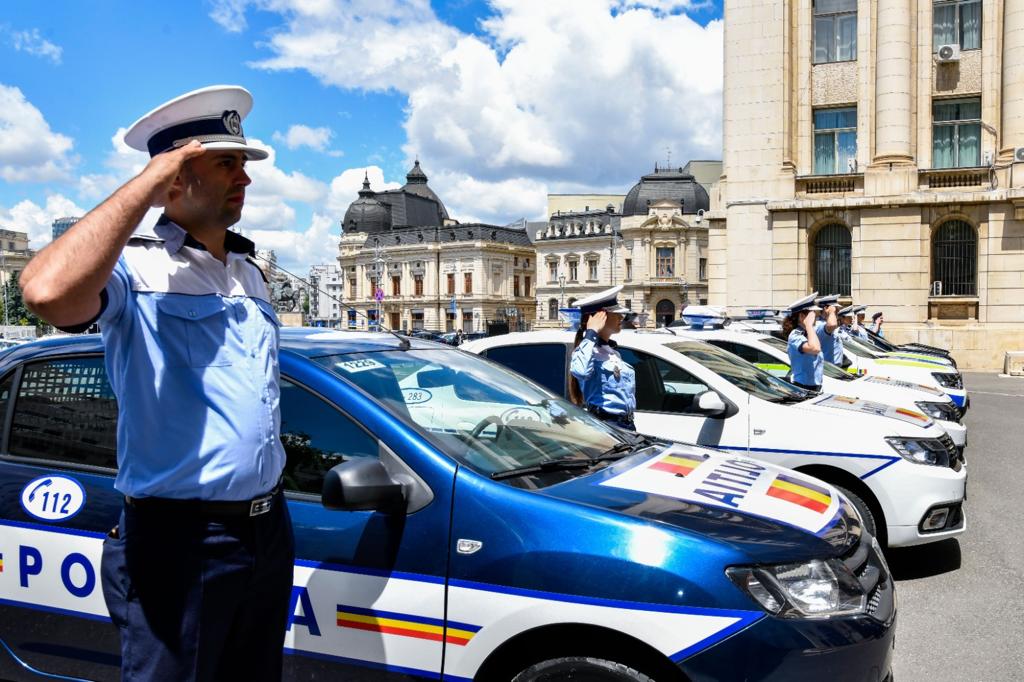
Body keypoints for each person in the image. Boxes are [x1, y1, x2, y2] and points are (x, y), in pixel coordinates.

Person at [21, 86, 293, 681]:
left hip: (266, 531)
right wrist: (146, 185)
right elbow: (44, 292)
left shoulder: (250, 274)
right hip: (180, 538)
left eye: (244, 164)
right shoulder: (134, 267)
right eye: (226, 163)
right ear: (172, 179)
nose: (243, 178)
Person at [569, 285, 637, 431]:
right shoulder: (587, 352)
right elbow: (580, 371)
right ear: (600, 317)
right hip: (607, 425)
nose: (621, 317)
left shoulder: (612, 352)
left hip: (625, 424)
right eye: (615, 313)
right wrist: (592, 332)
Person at [783, 293, 824, 392]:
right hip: (802, 387)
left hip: (814, 387)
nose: (816, 318)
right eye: (812, 314)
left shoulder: (807, 333)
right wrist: (808, 324)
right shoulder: (795, 335)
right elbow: (815, 349)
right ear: (802, 316)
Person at [814, 293, 843, 365]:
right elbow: (832, 325)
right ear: (826, 309)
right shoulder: (820, 325)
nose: (837, 312)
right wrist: (831, 312)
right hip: (827, 368)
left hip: (834, 367)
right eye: (835, 309)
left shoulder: (826, 323)